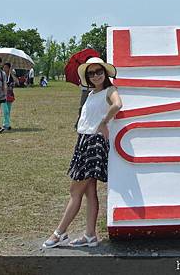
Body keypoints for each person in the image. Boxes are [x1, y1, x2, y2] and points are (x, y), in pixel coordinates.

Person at [43, 57, 122, 248]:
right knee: (89, 190)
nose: (96, 76)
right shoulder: (91, 93)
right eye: (91, 73)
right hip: (84, 140)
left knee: (75, 190)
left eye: (99, 72)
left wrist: (104, 122)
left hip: (94, 143)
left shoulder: (109, 90)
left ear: (105, 73)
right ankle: (90, 235)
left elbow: (117, 105)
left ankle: (59, 232)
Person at [2, 63, 19, 131]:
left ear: (9, 68)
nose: (4, 69)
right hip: (3, 95)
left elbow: (17, 82)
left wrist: (11, 73)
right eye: (4, 67)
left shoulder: (11, 76)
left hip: (10, 95)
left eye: (6, 67)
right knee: (5, 111)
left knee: (8, 111)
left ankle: (5, 124)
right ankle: (7, 125)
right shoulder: (2, 75)